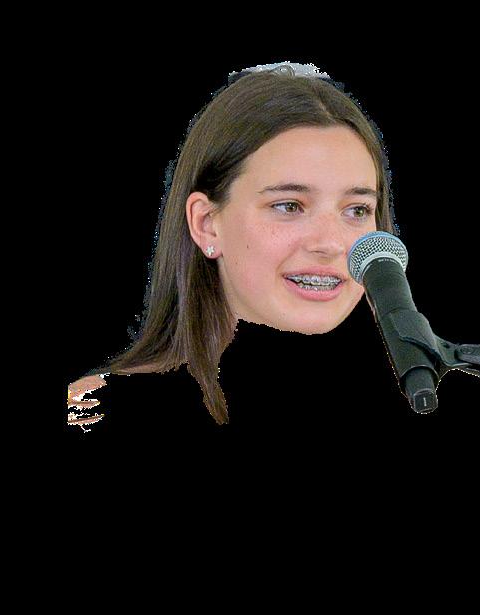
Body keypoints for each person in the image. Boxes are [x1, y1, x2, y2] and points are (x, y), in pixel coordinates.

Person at [66, 61, 399, 430]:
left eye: (357, 210)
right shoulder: (94, 415)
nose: (331, 243)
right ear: (206, 224)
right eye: (289, 206)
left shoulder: (426, 394)